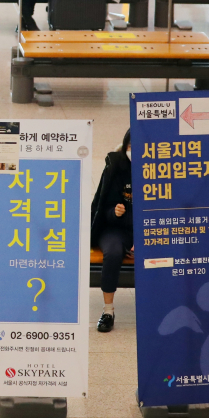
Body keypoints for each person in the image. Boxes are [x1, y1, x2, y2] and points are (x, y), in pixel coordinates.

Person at [90, 129, 133, 333]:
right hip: (115, 229)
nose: (134, 151)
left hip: (148, 229)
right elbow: (101, 209)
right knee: (113, 252)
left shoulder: (164, 170)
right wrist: (114, 212)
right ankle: (108, 311)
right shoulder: (116, 167)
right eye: (130, 146)